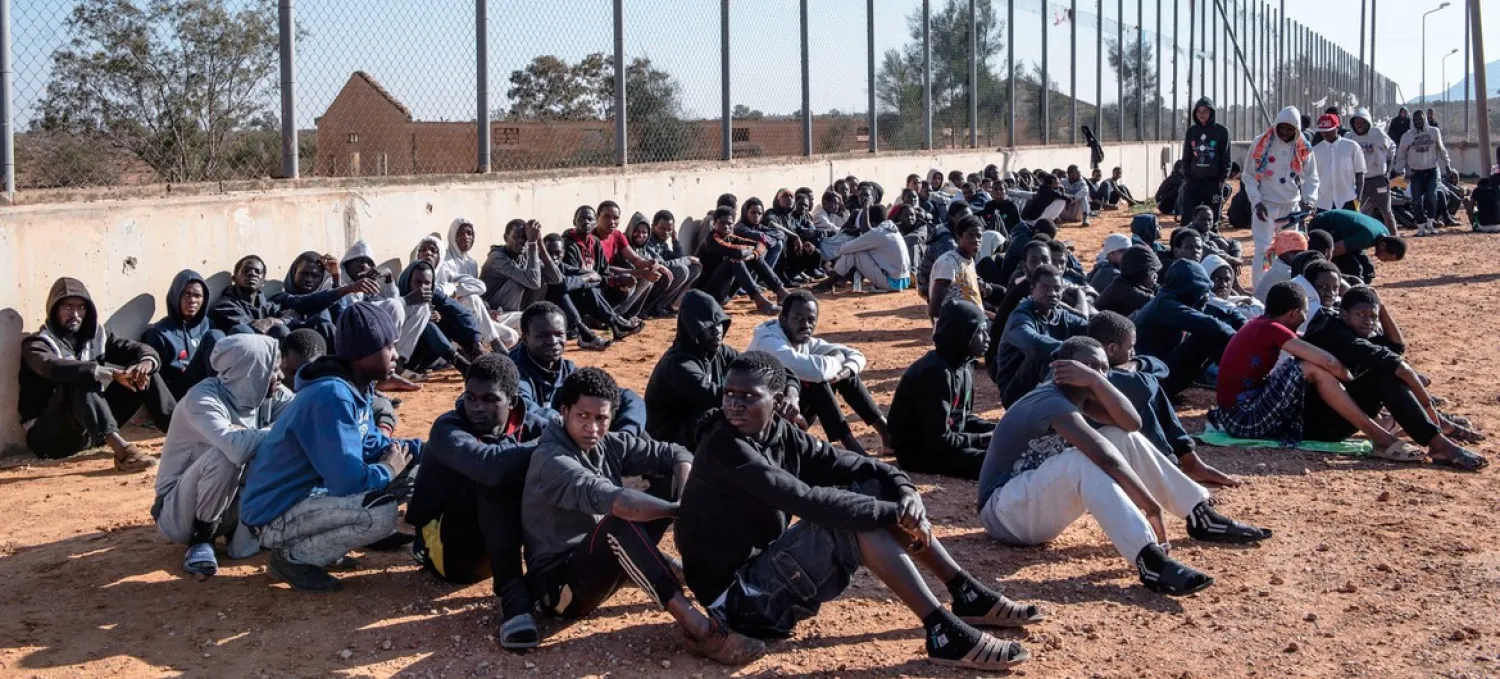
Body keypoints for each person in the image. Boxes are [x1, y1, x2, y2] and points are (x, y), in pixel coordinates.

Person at [677, 352, 1038, 672]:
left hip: (761, 578)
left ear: (777, 401)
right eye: (729, 394)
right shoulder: (725, 445)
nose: (734, 405)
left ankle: (964, 591)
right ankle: (941, 631)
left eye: (748, 396)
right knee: (852, 521)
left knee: (870, 489)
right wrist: (893, 513)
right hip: (737, 603)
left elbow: (850, 464)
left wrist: (905, 490)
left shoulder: (780, 433)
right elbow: (803, 499)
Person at [977, 337, 1272, 596]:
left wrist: (1097, 382)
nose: (1098, 373)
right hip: (1003, 515)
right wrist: (1150, 507)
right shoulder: (1050, 400)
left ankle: (1199, 514)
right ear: (1064, 368)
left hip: (1031, 507)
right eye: (1088, 367)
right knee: (1080, 460)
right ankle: (1150, 559)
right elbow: (1104, 457)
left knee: (1119, 435)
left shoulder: (1081, 396)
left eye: (1104, 368)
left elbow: (1132, 424)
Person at [521, 368, 765, 665]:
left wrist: (684, 496)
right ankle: (701, 631)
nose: (592, 428)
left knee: (668, 481)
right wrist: (679, 511)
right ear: (564, 411)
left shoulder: (606, 443)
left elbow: (677, 454)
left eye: (601, 418)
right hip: (560, 590)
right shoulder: (553, 460)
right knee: (619, 522)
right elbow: (621, 504)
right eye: (582, 416)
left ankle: (700, 573)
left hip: (598, 564)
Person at [238, 302, 423, 592]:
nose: (396, 355)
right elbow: (346, 481)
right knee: (380, 514)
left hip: (311, 498)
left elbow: (373, 444)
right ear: (363, 354)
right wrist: (388, 469)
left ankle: (324, 548)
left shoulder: (357, 387)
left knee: (412, 473)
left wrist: (428, 450)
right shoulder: (331, 396)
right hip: (275, 515)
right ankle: (294, 558)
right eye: (389, 346)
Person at [405, 353, 540, 649]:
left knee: (555, 470)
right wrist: (551, 445)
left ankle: (557, 570)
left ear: (512, 402)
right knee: (493, 475)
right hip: (451, 554)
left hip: (498, 541)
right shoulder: (448, 428)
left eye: (489, 399)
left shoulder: (529, 423)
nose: (477, 407)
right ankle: (514, 600)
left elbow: (564, 431)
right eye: (471, 398)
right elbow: (489, 467)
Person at [1301, 286, 1487, 470]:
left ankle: (1437, 441)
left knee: (1387, 372)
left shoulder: (1345, 325)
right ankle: (1439, 443)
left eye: (1373, 316)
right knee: (1386, 375)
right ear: (1343, 314)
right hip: (1315, 425)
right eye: (1361, 314)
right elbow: (1401, 368)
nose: (1368, 321)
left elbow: (1396, 347)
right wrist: (1428, 406)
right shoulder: (1334, 332)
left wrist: (1381, 307)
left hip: (1333, 413)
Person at [153, 334, 293, 577]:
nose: (280, 377)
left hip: (231, 500)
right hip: (180, 510)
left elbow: (302, 415)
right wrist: (279, 431)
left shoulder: (266, 394)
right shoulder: (201, 399)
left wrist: (263, 434)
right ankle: (201, 539)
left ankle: (246, 531)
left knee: (280, 453)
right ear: (250, 371)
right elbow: (235, 448)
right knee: (226, 456)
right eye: (273, 370)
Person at [18, 278, 172, 471]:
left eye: (81, 308)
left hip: (92, 429)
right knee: (80, 375)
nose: (75, 314)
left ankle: (183, 434)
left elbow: (136, 349)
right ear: (53, 309)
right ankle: (124, 453)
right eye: (67, 307)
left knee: (141, 374)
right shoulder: (36, 345)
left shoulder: (96, 337)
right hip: (51, 437)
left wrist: (145, 363)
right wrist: (109, 373)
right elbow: (53, 367)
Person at [1087, 311, 1240, 487]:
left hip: (1111, 443)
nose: (1133, 352)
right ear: (1112, 349)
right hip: (1095, 449)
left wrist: (1137, 363)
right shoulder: (1093, 374)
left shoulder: (1108, 364)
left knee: (1144, 391)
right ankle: (1172, 466)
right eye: (1130, 348)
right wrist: (1143, 375)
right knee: (1143, 398)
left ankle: (1187, 462)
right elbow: (1147, 387)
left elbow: (1161, 367)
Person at [645, 291, 799, 447]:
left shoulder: (719, 351)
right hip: (671, 439)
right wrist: (767, 400)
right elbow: (716, 398)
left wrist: (792, 395)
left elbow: (770, 369)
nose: (717, 331)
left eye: (719, 324)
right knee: (736, 411)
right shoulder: (677, 364)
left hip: (700, 425)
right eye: (709, 326)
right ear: (692, 329)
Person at [747, 290, 892, 455]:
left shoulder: (803, 340)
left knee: (844, 374)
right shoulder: (769, 342)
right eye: (798, 319)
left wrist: (843, 372)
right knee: (817, 381)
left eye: (811, 320)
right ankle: (852, 447)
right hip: (762, 421)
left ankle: (887, 434)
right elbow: (817, 371)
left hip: (790, 412)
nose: (806, 325)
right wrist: (837, 361)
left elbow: (855, 355)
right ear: (783, 319)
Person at [887, 300, 995, 479]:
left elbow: (962, 418)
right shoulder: (936, 373)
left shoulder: (963, 364)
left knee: (1005, 449)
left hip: (945, 442)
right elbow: (938, 440)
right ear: (963, 334)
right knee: (995, 463)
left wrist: (995, 430)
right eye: (980, 332)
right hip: (918, 452)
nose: (987, 338)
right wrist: (982, 439)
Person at [507, 301, 645, 435]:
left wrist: (626, 433)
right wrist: (571, 425)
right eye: (542, 335)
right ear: (525, 339)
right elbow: (525, 407)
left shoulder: (568, 370)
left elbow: (623, 397)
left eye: (559, 334)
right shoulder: (511, 373)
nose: (553, 341)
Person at [1133, 260, 1236, 397]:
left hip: (1158, 373)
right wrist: (1242, 341)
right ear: (1189, 289)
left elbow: (1221, 314)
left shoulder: (1169, 298)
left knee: (1220, 325)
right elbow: (1214, 327)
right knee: (1209, 335)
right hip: (1154, 382)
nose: (1204, 295)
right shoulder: (1166, 306)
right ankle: (1238, 383)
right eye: (1200, 290)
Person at [1243, 106, 1320, 288]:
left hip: (1290, 208)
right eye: (1282, 128)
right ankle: (1261, 288)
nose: (1285, 132)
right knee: (1265, 250)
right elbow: (1249, 176)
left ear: (1297, 130)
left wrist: (1309, 201)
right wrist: (1256, 202)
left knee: (1288, 251)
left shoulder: (1303, 147)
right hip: (1266, 206)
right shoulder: (1261, 143)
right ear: (1276, 126)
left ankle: (1283, 287)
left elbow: (1311, 177)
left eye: (1289, 129)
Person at [992, 265, 1089, 406]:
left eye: (1057, 288)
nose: (1052, 293)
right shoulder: (1020, 316)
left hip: (1046, 384)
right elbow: (1033, 344)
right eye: (1045, 288)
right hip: (1017, 394)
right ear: (1032, 289)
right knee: (1042, 353)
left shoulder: (1059, 314)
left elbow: (1089, 328)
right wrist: (1074, 352)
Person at [560, 205, 647, 337]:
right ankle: (615, 323)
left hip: (594, 289)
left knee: (622, 286)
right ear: (574, 221)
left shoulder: (595, 242)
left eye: (590, 219)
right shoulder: (569, 244)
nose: (586, 222)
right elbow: (575, 279)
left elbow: (604, 272)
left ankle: (605, 320)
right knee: (590, 288)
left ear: (595, 222)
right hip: (577, 293)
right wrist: (610, 280)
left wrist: (618, 281)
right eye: (581, 219)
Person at [437, 218, 520, 352]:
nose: (466, 237)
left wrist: (486, 309)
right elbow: (448, 293)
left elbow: (478, 288)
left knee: (515, 331)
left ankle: (480, 348)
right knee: (472, 298)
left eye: (469, 233)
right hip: (456, 315)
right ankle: (493, 342)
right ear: (452, 236)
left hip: (476, 312)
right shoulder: (445, 261)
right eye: (460, 233)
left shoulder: (472, 263)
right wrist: (459, 291)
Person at [142, 269, 225, 400]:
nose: (192, 300)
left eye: (197, 296)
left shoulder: (209, 325)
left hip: (210, 386)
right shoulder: (159, 333)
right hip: (182, 392)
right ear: (176, 296)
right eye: (186, 294)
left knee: (219, 335)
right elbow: (157, 381)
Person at [697, 205, 789, 315]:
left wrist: (753, 254)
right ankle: (760, 302)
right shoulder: (711, 240)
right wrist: (750, 250)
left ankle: (780, 291)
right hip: (707, 294)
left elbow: (760, 244)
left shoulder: (730, 237)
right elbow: (737, 252)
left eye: (729, 224)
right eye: (722, 223)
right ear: (714, 224)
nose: (726, 227)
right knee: (735, 260)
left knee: (754, 257)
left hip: (725, 293)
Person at [394, 254, 476, 377]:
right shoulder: (395, 296)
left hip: (420, 357)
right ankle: (460, 363)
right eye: (417, 282)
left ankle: (468, 356)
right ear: (408, 281)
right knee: (427, 323)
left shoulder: (433, 295)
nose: (422, 287)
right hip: (395, 356)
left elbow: (461, 312)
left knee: (450, 317)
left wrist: (476, 341)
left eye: (427, 283)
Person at [273, 251, 376, 348]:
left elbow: (340, 317)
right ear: (294, 272)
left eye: (315, 276)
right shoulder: (281, 297)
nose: (309, 279)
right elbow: (304, 302)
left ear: (321, 278)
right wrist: (347, 289)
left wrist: (336, 277)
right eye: (304, 273)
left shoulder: (324, 302)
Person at [594, 201, 669, 319]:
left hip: (612, 277)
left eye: (616, 218)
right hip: (600, 281)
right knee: (630, 279)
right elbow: (604, 269)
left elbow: (635, 259)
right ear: (597, 217)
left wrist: (651, 263)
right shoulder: (592, 239)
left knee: (648, 275)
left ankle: (622, 314)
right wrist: (640, 273)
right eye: (607, 217)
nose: (612, 222)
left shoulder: (617, 235)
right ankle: (610, 316)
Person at [824, 204, 912, 293]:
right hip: (903, 282)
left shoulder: (877, 233)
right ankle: (845, 277)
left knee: (854, 252)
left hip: (892, 283)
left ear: (872, 222)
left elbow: (844, 248)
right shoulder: (892, 229)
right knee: (861, 250)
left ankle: (829, 283)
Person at [630, 210, 703, 317]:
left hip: (661, 281)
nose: (666, 233)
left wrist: (675, 240)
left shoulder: (662, 242)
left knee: (694, 267)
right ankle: (653, 308)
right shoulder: (647, 241)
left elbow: (678, 258)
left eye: (669, 230)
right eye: (662, 229)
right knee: (681, 270)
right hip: (648, 281)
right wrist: (687, 259)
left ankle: (666, 305)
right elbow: (663, 264)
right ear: (653, 227)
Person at [1307, 209, 1406, 284]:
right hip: (1321, 225)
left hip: (1341, 233)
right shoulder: (1367, 237)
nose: (1384, 261)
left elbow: (1354, 244)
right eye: (1386, 259)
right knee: (1353, 269)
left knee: (1367, 270)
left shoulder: (1384, 233)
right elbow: (1335, 249)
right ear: (1383, 245)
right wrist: (1321, 264)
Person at [1395, 109, 1452, 237]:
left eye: (1420, 119)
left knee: (1431, 197)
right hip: (1415, 173)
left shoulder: (1434, 132)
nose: (1418, 122)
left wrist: (1447, 164)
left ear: (1424, 119)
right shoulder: (1407, 136)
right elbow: (1401, 154)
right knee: (1416, 201)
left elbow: (1441, 149)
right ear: (1412, 121)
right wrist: (1399, 170)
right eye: (1415, 120)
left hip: (1431, 170)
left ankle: (1430, 224)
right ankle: (1421, 227)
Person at [210, 255, 290, 340]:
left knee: (282, 330)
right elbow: (252, 328)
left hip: (269, 347)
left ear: (263, 282)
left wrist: (274, 321)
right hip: (239, 347)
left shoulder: (268, 306)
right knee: (244, 330)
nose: (252, 274)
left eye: (257, 271)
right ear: (234, 278)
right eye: (246, 271)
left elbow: (293, 316)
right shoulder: (224, 306)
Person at [1179, 98, 1233, 223]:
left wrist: (1222, 180)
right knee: (1188, 218)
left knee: (1211, 219)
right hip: (1193, 181)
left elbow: (1226, 157)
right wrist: (1187, 178)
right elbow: (1186, 156)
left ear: (1211, 112)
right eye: (1199, 111)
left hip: (1213, 183)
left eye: (1205, 111)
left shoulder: (1222, 131)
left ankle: (1211, 236)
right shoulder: (1192, 131)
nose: (1201, 114)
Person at [1346, 108, 1399, 231]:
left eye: (1362, 122)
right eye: (1356, 123)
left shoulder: (1377, 134)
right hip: (1358, 181)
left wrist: (1387, 168)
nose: (1359, 125)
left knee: (1386, 211)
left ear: (1368, 122)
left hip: (1377, 179)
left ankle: (1394, 237)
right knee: (1355, 212)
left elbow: (1392, 147)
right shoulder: (1349, 137)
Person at [927, 216, 988, 318]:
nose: (976, 240)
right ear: (958, 238)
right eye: (970, 236)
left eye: (979, 236)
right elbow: (934, 309)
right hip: (955, 324)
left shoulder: (968, 259)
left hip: (973, 320)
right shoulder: (948, 263)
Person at [1310, 114, 1366, 212]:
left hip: (1348, 200)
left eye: (1329, 130)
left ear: (1337, 128)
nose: (1326, 134)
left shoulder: (1352, 147)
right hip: (1323, 202)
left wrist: (1359, 197)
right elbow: (1311, 177)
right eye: (1323, 131)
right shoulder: (1315, 151)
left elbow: (1360, 172)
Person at [1096, 245, 1161, 317]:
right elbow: (1156, 303)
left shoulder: (1129, 281)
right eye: (1152, 273)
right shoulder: (1122, 289)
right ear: (1142, 274)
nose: (1156, 276)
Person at [1252, 229, 1310, 302]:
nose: (1299, 256)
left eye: (1302, 253)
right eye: (1294, 252)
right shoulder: (1283, 271)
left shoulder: (1282, 265)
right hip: (1263, 307)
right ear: (1282, 253)